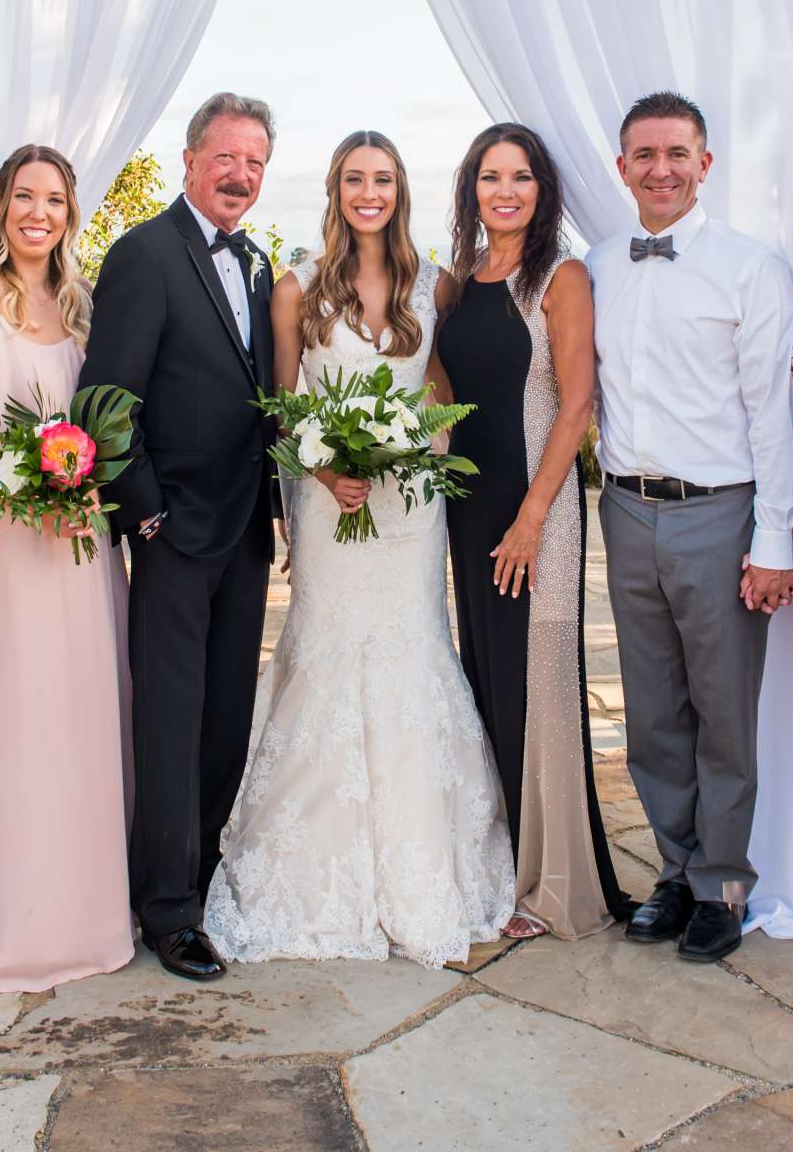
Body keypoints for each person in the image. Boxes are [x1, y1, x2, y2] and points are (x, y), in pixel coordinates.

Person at [205, 131, 516, 967]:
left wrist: (412, 456)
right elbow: (280, 402)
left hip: (408, 515)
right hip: (327, 506)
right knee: (331, 657)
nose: (368, 193)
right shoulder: (298, 288)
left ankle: (424, 865)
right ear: (336, 189)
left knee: (412, 654)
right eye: (354, 179)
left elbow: (442, 394)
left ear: (400, 189)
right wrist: (328, 463)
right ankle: (311, 872)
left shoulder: (436, 285)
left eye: (382, 179)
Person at [587, 91, 793, 965]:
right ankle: (674, 869)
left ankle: (723, 884)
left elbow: (773, 413)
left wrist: (773, 538)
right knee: (652, 715)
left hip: (720, 514)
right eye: (645, 154)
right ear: (622, 166)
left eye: (678, 153)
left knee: (723, 714)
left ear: (704, 164)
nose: (662, 169)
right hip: (625, 508)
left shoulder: (750, 269)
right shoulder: (596, 266)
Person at [78, 92, 280, 983]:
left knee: (224, 719)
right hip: (173, 531)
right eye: (226, 157)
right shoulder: (144, 254)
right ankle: (164, 910)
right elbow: (105, 397)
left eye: (255, 163)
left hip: (243, 533)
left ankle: (198, 880)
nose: (240, 175)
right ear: (191, 158)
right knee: (168, 720)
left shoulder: (264, 266)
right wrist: (144, 513)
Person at [0, 145, 135, 993]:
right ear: (1, 206)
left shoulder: (86, 305)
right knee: (23, 723)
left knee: (88, 716)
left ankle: (91, 908)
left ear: (70, 213)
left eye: (53, 200)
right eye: (25, 196)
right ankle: (21, 921)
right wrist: (30, 478)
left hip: (84, 548)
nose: (38, 213)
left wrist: (87, 482)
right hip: (12, 546)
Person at [436, 123, 633, 940]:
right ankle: (502, 865)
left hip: (536, 513)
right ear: (471, 189)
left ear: (542, 188)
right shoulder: (457, 283)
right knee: (488, 680)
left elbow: (577, 403)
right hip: (466, 509)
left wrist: (529, 517)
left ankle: (555, 882)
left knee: (540, 686)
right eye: (490, 176)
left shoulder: (562, 276)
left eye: (520, 176)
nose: (504, 190)